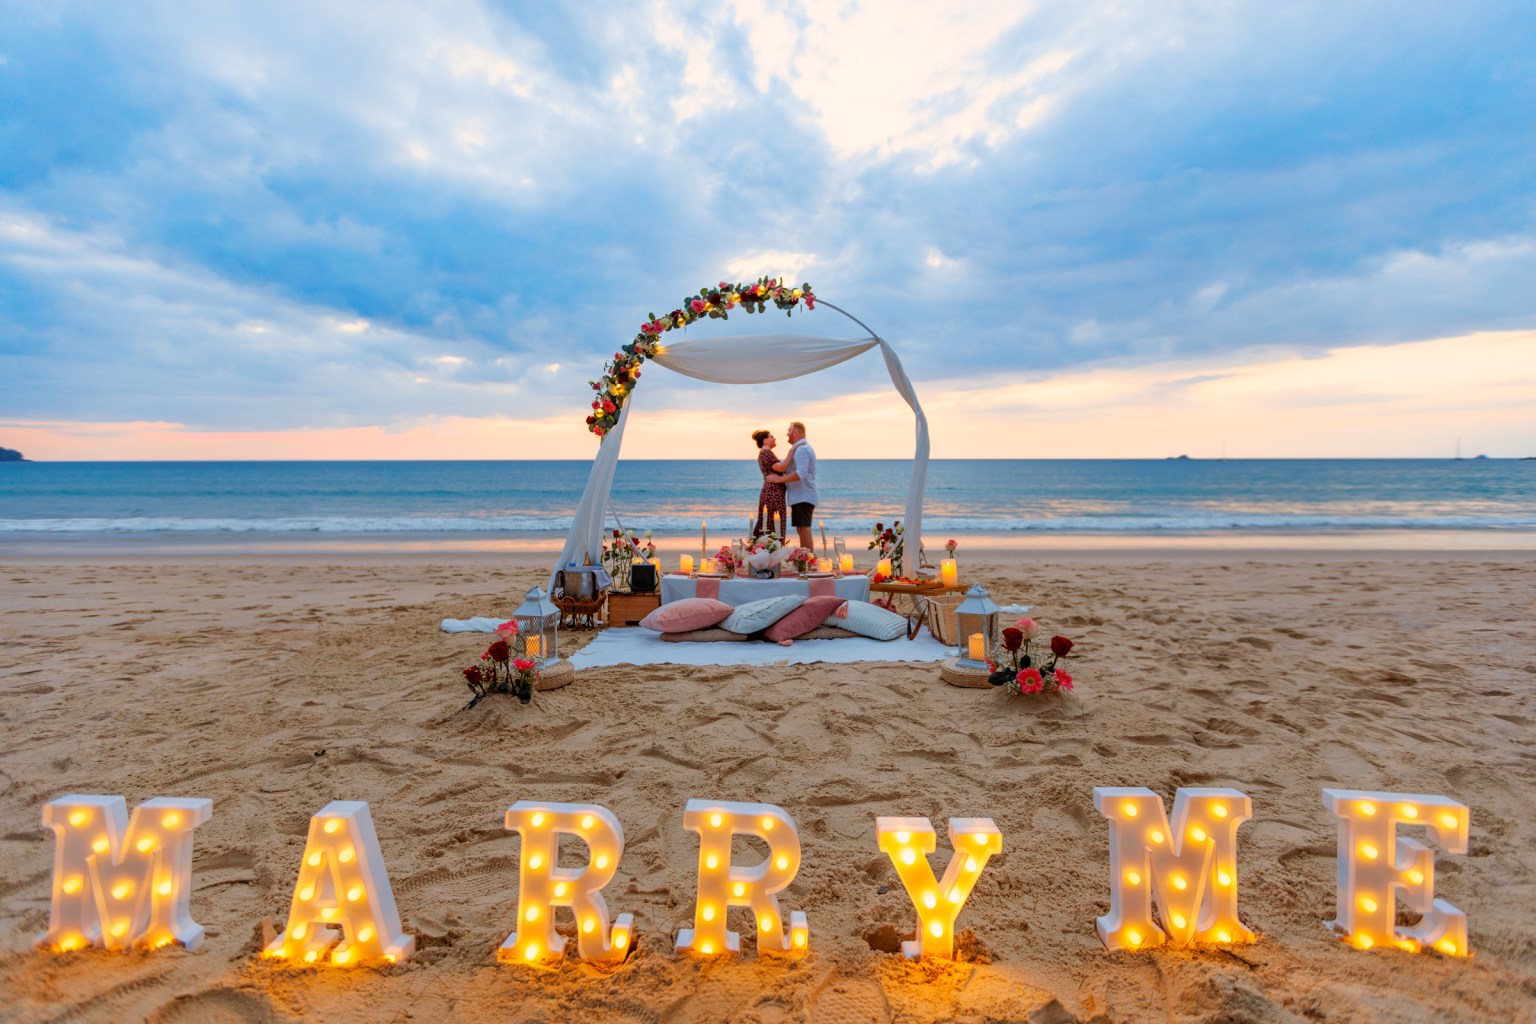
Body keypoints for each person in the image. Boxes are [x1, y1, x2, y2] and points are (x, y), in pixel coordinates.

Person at [767, 421, 817, 551]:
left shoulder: (802, 449)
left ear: (794, 432)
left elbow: (801, 473)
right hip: (799, 496)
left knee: (804, 528)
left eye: (789, 430)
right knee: (801, 529)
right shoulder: (798, 448)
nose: (787, 433)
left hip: (804, 496)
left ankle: (808, 560)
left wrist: (779, 480)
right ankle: (804, 558)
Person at [751, 429, 787, 538]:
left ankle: (769, 549)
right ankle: (770, 550)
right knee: (773, 523)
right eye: (772, 436)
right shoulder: (766, 453)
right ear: (765, 440)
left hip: (774, 492)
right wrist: (792, 453)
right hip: (773, 492)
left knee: (771, 522)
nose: (774, 438)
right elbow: (782, 468)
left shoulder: (766, 453)